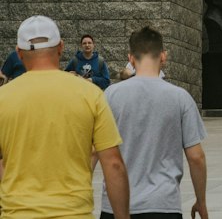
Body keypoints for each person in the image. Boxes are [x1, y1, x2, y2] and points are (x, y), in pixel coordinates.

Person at [0, 14, 128, 219]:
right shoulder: (90, 94)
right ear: (60, 47)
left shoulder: (3, 98)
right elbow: (113, 163)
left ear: (19, 53)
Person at [101, 25, 207, 219]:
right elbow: (196, 157)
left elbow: (93, 152)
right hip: (163, 204)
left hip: (115, 206)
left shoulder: (111, 95)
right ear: (163, 56)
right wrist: (201, 201)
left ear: (131, 58)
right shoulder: (180, 97)